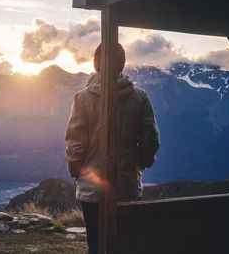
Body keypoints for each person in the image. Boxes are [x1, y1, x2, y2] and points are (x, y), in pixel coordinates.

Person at [65, 43, 160, 254]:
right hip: (127, 186)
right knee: (126, 245)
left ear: (96, 63)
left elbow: (75, 144)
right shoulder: (140, 97)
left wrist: (76, 171)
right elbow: (151, 139)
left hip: (92, 190)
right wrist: (142, 163)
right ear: (122, 64)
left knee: (96, 246)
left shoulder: (82, 99)